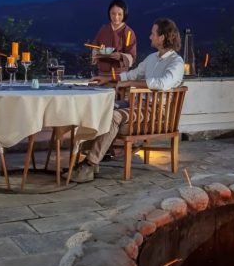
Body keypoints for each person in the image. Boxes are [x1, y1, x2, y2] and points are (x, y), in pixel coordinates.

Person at [73, 18, 185, 183]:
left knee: (113, 117)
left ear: (162, 37)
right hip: (138, 104)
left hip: (155, 112)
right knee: (102, 108)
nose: (150, 37)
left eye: (153, 34)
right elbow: (131, 74)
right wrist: (108, 79)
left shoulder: (176, 62)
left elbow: (162, 83)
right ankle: (88, 158)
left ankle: (90, 164)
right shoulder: (152, 58)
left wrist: (132, 83)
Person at [91, 0, 138, 77]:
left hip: (120, 76)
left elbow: (131, 56)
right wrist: (96, 52)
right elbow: (95, 46)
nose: (116, 17)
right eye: (113, 14)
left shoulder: (129, 33)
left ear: (124, 14)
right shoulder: (103, 30)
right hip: (102, 75)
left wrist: (120, 56)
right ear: (109, 13)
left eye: (119, 14)